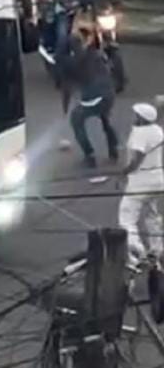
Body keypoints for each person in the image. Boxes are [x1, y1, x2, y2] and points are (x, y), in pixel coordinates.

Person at [118, 101, 164, 268]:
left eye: (136, 115)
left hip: (141, 181)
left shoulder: (140, 133)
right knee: (151, 215)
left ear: (141, 118)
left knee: (127, 218)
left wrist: (124, 172)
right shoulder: (157, 130)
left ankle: (137, 253)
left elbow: (137, 158)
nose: (133, 117)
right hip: (158, 179)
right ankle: (157, 249)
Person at [69, 21, 120, 169]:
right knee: (106, 119)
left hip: (93, 96)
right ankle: (113, 151)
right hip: (108, 93)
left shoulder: (78, 58)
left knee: (76, 119)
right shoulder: (97, 53)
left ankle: (89, 155)